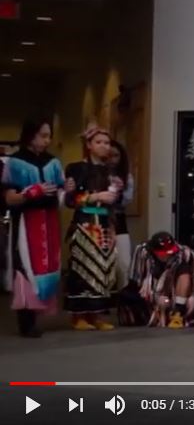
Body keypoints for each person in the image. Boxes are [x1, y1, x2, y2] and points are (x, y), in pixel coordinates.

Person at [2, 118, 64, 337]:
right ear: (30, 136)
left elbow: (61, 194)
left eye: (49, 136)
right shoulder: (15, 163)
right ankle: (26, 320)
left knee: (47, 267)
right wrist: (30, 193)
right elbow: (9, 198)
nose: (47, 140)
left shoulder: (53, 162)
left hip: (49, 220)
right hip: (27, 223)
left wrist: (67, 190)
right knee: (25, 268)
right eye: (43, 135)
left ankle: (37, 316)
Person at [64, 124, 120, 330]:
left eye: (106, 143)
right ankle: (78, 315)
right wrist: (96, 196)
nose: (104, 146)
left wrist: (113, 228)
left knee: (103, 268)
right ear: (89, 145)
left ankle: (97, 315)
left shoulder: (110, 172)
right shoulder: (76, 168)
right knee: (82, 267)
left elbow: (114, 204)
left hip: (104, 222)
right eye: (99, 142)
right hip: (85, 222)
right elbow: (71, 200)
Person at [131, 231, 194, 328]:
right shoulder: (142, 253)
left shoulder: (184, 253)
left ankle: (178, 313)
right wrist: (155, 298)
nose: (166, 256)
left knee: (184, 271)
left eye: (169, 253)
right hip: (149, 293)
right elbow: (137, 281)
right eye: (162, 254)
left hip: (176, 290)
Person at [108, 140, 135, 292]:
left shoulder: (127, 177)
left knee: (124, 263)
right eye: (109, 156)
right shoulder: (97, 173)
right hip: (99, 219)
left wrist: (117, 190)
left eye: (116, 156)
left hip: (118, 219)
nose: (112, 159)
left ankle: (123, 299)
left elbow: (126, 200)